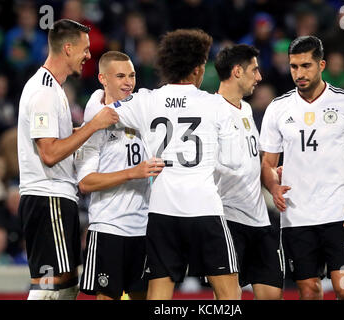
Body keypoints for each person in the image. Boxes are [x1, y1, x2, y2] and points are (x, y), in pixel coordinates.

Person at [84, 29, 242, 300]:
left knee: (158, 292)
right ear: (197, 69)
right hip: (203, 207)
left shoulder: (146, 100)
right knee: (228, 293)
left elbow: (102, 113)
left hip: (161, 211)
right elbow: (233, 161)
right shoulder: (216, 105)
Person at [259, 36, 344, 300]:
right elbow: (268, 164)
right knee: (309, 290)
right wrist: (273, 186)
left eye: (306, 66)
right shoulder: (278, 108)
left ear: (322, 65)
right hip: (296, 216)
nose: (299, 73)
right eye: (294, 67)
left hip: (340, 213)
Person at [17, 19, 119, 300]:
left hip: (57, 197)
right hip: (47, 195)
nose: (89, 55)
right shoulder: (44, 92)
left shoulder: (53, 89)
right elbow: (49, 153)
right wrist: (93, 126)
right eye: (85, 49)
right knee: (50, 285)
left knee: (66, 285)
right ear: (68, 48)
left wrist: (92, 131)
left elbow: (57, 139)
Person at [76, 51, 164, 300]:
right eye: (121, 76)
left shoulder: (143, 112)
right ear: (103, 78)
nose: (128, 82)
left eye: (132, 75)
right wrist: (132, 173)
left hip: (143, 227)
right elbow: (85, 182)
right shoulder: (94, 123)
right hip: (109, 227)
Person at [213, 44, 283, 299]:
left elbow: (254, 160)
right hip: (227, 220)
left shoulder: (247, 109)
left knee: (273, 296)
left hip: (259, 219)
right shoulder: (211, 109)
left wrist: (272, 180)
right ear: (237, 71)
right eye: (255, 70)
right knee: (229, 300)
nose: (259, 77)